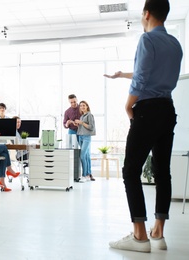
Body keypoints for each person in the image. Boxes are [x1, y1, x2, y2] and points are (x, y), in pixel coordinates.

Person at [105, 0, 183, 253]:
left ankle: (139, 236)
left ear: (146, 14)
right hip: (167, 110)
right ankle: (158, 232)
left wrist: (128, 106)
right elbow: (154, 74)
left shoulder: (146, 39)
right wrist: (122, 74)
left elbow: (142, 77)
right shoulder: (175, 44)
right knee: (162, 172)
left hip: (147, 111)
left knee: (130, 171)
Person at [74, 101, 96, 182]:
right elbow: (82, 126)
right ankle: (87, 175)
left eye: (84, 105)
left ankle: (84, 175)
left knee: (82, 156)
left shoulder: (89, 115)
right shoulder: (82, 116)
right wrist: (78, 124)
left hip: (87, 137)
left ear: (87, 106)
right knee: (86, 156)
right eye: (81, 106)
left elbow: (91, 127)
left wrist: (82, 123)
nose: (82, 107)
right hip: (80, 137)